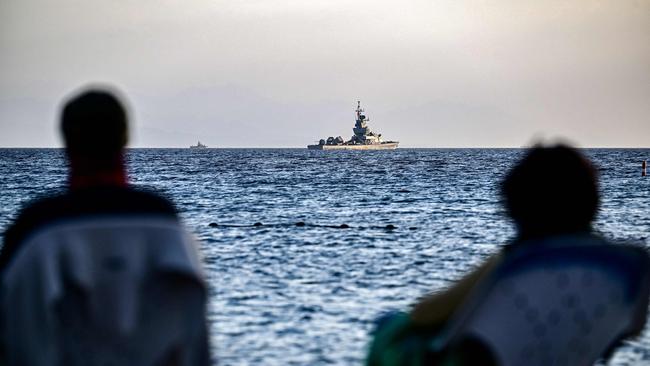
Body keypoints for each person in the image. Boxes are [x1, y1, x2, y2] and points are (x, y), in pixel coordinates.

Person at [366, 144, 650, 365]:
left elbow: (425, 313)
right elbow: (631, 330)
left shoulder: (518, 263)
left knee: (389, 327)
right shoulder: (627, 267)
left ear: (516, 206)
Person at [0, 87, 211, 365]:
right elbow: (195, 342)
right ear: (125, 138)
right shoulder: (167, 229)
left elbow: (15, 334)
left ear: (67, 140)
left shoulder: (38, 232)